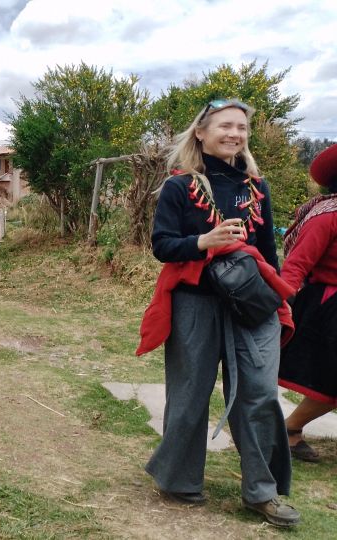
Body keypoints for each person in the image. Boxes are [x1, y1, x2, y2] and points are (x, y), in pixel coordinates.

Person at [137, 99, 298, 527]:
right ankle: (179, 480)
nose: (235, 134)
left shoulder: (255, 188)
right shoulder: (179, 187)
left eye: (242, 128)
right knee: (190, 393)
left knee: (260, 393)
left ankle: (263, 492)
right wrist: (203, 242)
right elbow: (162, 245)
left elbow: (267, 252)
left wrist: (277, 297)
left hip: (251, 303)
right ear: (201, 133)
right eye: (225, 126)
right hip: (196, 303)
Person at [278, 144, 337, 463]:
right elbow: (297, 264)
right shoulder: (327, 217)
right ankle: (289, 427)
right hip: (327, 308)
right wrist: (279, 302)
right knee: (330, 384)